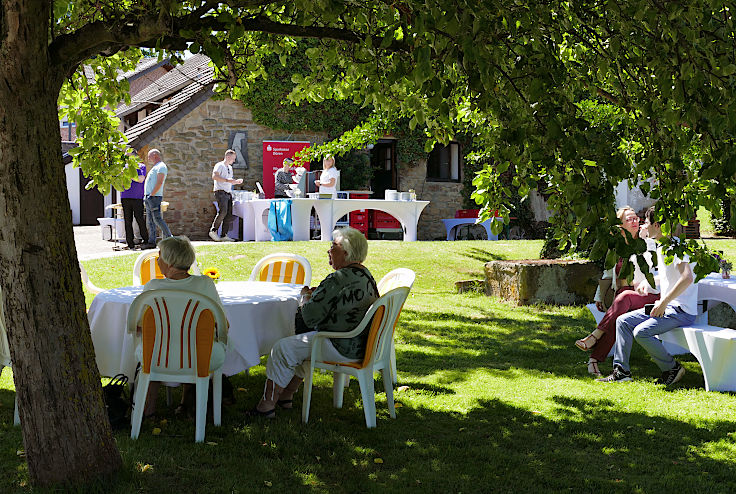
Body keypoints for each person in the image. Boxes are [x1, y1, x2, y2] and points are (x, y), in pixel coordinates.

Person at [249, 227, 379, 418]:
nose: (329, 250)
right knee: (299, 343)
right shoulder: (365, 275)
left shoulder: (338, 278)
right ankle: (286, 396)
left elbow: (309, 316)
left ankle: (266, 406)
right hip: (360, 343)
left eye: (333, 246)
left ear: (346, 252)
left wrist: (305, 297)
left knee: (283, 348)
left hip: (341, 345)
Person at [598, 206, 696, 385]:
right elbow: (670, 275)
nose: (644, 225)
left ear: (656, 225)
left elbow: (687, 278)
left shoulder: (675, 247)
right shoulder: (662, 247)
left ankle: (672, 368)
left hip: (681, 311)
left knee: (641, 332)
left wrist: (664, 302)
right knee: (623, 321)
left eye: (646, 222)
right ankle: (621, 372)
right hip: (669, 308)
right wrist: (652, 281)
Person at [137, 236, 227, 417]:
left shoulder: (153, 287)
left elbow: (139, 326)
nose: (157, 261)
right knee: (196, 343)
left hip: (157, 358)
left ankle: (149, 409)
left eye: (159, 257)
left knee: (152, 345)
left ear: (170, 263)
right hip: (202, 357)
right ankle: (187, 405)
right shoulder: (205, 284)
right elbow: (223, 325)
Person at [575, 206, 660, 376]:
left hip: (643, 292)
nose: (634, 221)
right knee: (618, 317)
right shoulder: (615, 246)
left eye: (636, 218)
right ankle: (593, 360)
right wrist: (599, 295)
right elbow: (608, 272)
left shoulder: (647, 244)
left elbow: (651, 271)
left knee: (622, 303)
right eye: (629, 219)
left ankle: (594, 341)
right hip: (620, 294)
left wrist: (642, 240)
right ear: (620, 225)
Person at [209, 149, 243, 242]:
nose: (234, 161)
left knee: (229, 214)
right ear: (228, 157)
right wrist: (228, 181)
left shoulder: (230, 168)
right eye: (233, 158)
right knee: (223, 211)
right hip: (220, 192)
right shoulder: (219, 165)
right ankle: (213, 230)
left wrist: (235, 182)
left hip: (228, 192)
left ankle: (224, 235)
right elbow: (214, 177)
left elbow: (228, 180)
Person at [143, 148, 172, 248]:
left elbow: (159, 182)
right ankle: (152, 242)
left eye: (149, 156)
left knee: (157, 219)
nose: (148, 158)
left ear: (155, 155)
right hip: (149, 197)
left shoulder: (161, 166)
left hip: (154, 197)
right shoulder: (155, 167)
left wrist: (152, 194)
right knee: (150, 221)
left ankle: (169, 238)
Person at [120, 162, 150, 250]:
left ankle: (145, 240)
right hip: (125, 197)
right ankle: (130, 243)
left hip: (137, 197)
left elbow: (141, 179)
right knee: (127, 220)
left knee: (139, 219)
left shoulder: (141, 166)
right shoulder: (122, 166)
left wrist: (127, 175)